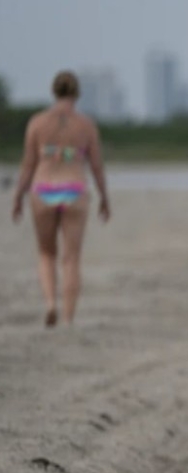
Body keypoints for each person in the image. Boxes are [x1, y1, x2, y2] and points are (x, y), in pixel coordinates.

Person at [10, 70, 110, 327]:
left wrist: (18, 197)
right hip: (74, 189)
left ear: (54, 92)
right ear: (76, 93)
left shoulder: (37, 123)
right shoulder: (86, 125)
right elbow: (97, 166)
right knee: (72, 258)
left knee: (46, 253)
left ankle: (51, 304)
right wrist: (104, 197)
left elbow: (28, 165)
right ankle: (68, 317)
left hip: (43, 189)